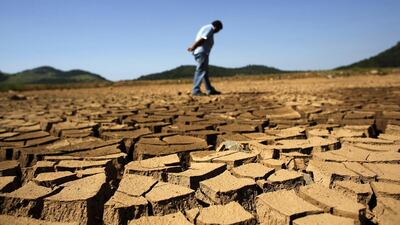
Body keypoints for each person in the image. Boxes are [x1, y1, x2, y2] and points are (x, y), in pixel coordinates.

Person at [187, 20, 223, 96]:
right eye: (219, 30)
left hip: (202, 52)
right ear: (216, 27)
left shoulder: (207, 28)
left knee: (204, 72)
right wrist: (193, 47)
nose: (218, 32)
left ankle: (209, 89)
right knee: (200, 70)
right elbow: (203, 38)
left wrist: (193, 47)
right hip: (202, 52)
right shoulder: (210, 28)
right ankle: (196, 90)